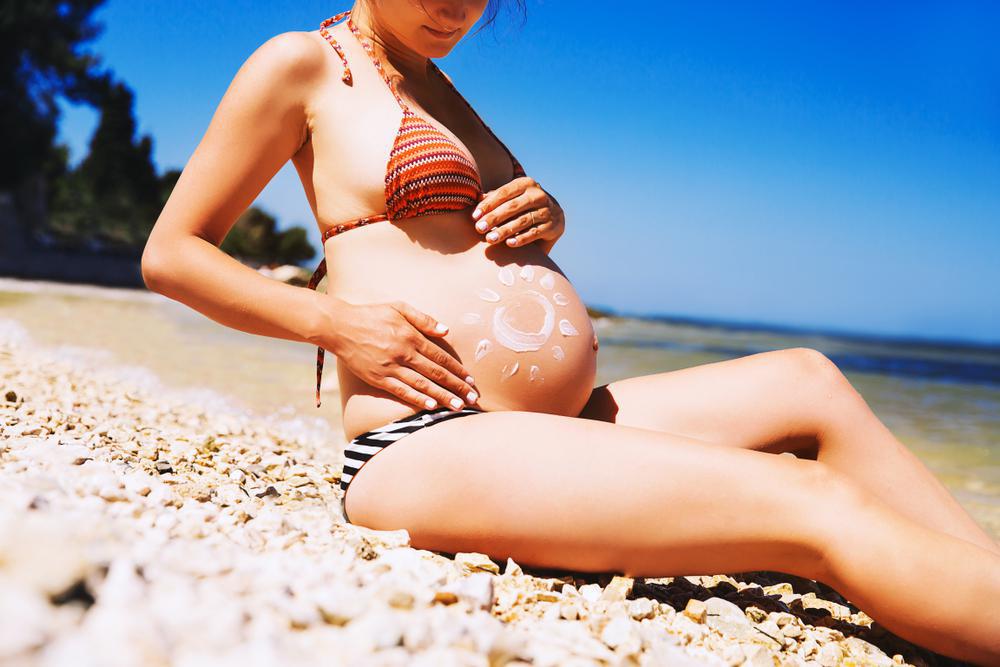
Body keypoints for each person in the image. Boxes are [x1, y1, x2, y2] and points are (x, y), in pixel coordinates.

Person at [140, 1, 1000, 663]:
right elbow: (173, 254)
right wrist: (337, 324)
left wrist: (546, 215)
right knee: (813, 506)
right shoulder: (303, 64)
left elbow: (458, 243)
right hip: (427, 440)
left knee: (810, 380)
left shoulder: (441, 88)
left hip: (549, 428)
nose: (458, 10)